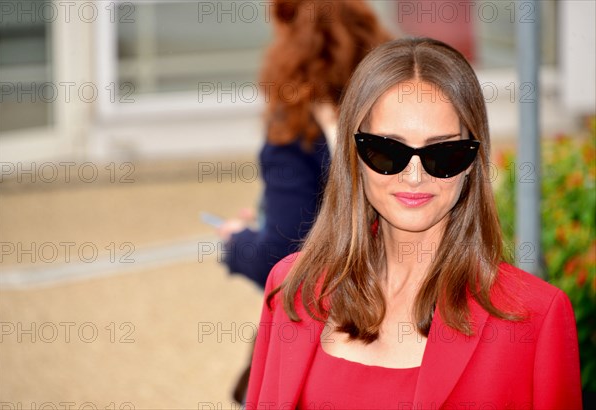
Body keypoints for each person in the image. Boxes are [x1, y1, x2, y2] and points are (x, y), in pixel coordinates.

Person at [245, 38, 583, 409]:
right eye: (388, 150)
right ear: (353, 154)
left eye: (443, 152)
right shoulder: (294, 289)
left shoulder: (534, 317)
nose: (414, 176)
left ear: (473, 160)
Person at [216, 0, 391, 403]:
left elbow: (280, 259)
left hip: (327, 330)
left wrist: (237, 242)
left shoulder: (295, 130)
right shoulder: (388, 110)